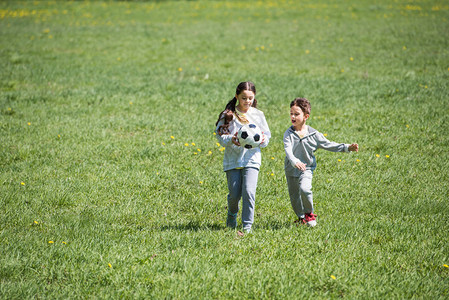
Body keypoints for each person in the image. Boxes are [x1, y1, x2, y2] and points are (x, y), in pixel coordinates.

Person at [283, 97, 359, 227]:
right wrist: (294, 161)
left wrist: (347, 147)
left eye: (296, 114)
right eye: (291, 114)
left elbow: (329, 145)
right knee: (295, 197)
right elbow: (288, 151)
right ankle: (301, 218)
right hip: (291, 169)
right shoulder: (288, 133)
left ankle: (309, 214)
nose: (293, 117)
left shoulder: (314, 135)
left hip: (306, 168)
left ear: (306, 116)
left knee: (305, 189)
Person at [215, 81, 271, 234]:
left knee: (249, 191)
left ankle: (247, 226)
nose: (247, 101)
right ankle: (232, 214)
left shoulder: (258, 115)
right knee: (234, 195)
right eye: (244, 98)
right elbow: (220, 137)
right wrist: (230, 139)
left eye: (250, 98)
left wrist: (262, 140)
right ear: (237, 96)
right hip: (233, 160)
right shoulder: (228, 114)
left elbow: (267, 135)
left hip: (252, 159)